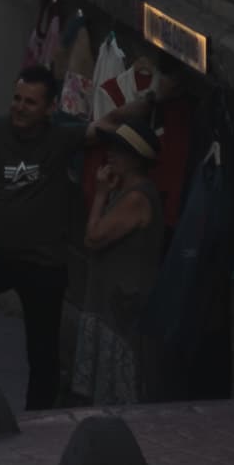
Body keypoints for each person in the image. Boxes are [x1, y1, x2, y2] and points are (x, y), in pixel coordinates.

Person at [0, 63, 87, 410]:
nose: (19, 107)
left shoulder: (62, 137)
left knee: (43, 348)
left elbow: (107, 128)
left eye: (30, 102)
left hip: (43, 261)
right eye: (16, 98)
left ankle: (40, 415)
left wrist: (151, 97)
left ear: (49, 108)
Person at [72, 118, 165, 406]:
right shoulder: (124, 192)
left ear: (136, 160)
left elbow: (94, 237)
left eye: (119, 150)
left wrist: (100, 194)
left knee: (120, 391)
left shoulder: (137, 197)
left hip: (122, 308)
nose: (110, 154)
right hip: (111, 304)